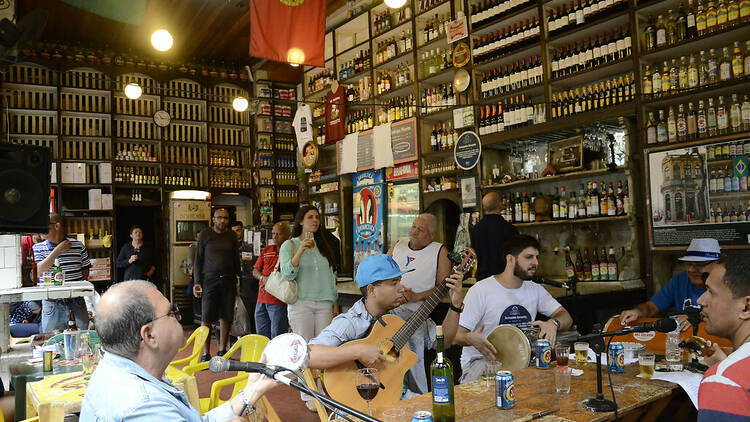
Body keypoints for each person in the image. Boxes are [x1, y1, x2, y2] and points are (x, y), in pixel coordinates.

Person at [80, 280, 277, 422]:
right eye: (171, 312)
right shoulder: (145, 406)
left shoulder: (115, 370)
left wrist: (251, 391)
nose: (178, 317)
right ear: (149, 335)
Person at [308, 254, 464, 384]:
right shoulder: (351, 322)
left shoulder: (405, 315)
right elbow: (310, 355)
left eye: (400, 281)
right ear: (372, 290)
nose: (401, 288)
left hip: (408, 400)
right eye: (394, 283)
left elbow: (445, 341)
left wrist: (455, 305)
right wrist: (357, 351)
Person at [443, 234, 573, 383]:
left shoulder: (535, 289)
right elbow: (456, 336)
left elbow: (566, 317)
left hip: (522, 364)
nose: (535, 262)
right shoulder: (481, 290)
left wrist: (553, 323)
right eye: (529, 257)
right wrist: (470, 338)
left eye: (537, 257)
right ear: (510, 259)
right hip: (483, 364)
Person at [278, 205, 337, 411]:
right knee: (304, 349)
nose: (315, 220)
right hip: (301, 303)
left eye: (317, 217)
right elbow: (287, 273)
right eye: (310, 217)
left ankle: (322, 390)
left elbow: (331, 278)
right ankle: (308, 393)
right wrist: (301, 250)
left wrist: (334, 302)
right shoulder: (290, 245)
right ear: (301, 221)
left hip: (324, 303)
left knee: (323, 349)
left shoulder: (324, 246)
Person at [386, 213, 451, 394]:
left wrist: (416, 296)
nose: (413, 231)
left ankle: (417, 394)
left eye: (420, 229)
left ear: (432, 235)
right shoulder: (398, 246)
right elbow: (382, 272)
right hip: (390, 311)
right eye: (413, 226)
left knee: (412, 353)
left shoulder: (440, 251)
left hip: (417, 313)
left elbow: (442, 287)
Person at [620, 238, 720, 332]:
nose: (691, 269)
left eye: (698, 264)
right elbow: (651, 307)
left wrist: (696, 318)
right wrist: (637, 312)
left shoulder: (727, 286)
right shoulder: (680, 280)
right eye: (688, 264)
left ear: (716, 263)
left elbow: (729, 319)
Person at [696, 258, 750, 421]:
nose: (700, 301)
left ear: (746, 307)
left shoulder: (724, 380)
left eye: (711, 292)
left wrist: (725, 372)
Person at [193, 208, 240, 361]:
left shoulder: (231, 236)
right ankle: (205, 353)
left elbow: (236, 259)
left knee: (226, 316)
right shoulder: (206, 235)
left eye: (225, 218)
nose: (222, 221)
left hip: (229, 279)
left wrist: (238, 280)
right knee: (206, 317)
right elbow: (198, 259)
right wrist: (197, 282)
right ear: (213, 219)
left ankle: (222, 351)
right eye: (219, 218)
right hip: (209, 280)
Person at [32, 213, 90, 332]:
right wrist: (57, 250)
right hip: (52, 303)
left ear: (57, 226)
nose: (40, 230)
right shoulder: (38, 248)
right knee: (51, 343)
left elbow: (85, 272)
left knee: (81, 341)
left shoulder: (78, 245)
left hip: (77, 301)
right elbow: (38, 272)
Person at [253, 222, 291, 339]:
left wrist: (271, 283)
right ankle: (265, 358)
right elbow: (255, 270)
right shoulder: (267, 250)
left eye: (278, 234)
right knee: (261, 336)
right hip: (261, 300)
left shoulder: (290, 253)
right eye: (273, 234)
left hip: (278, 302)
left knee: (277, 337)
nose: (274, 237)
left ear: (287, 235)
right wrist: (263, 278)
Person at [471, 192, 519, 280]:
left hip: (482, 280)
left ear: (484, 207)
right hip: (504, 279)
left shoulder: (476, 229)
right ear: (500, 205)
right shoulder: (509, 229)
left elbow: (474, 253)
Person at [232, 220, 256, 335]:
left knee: (250, 310)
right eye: (233, 231)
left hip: (250, 280)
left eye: (238, 230)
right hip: (236, 280)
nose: (236, 233)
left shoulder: (249, 245)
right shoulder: (230, 245)